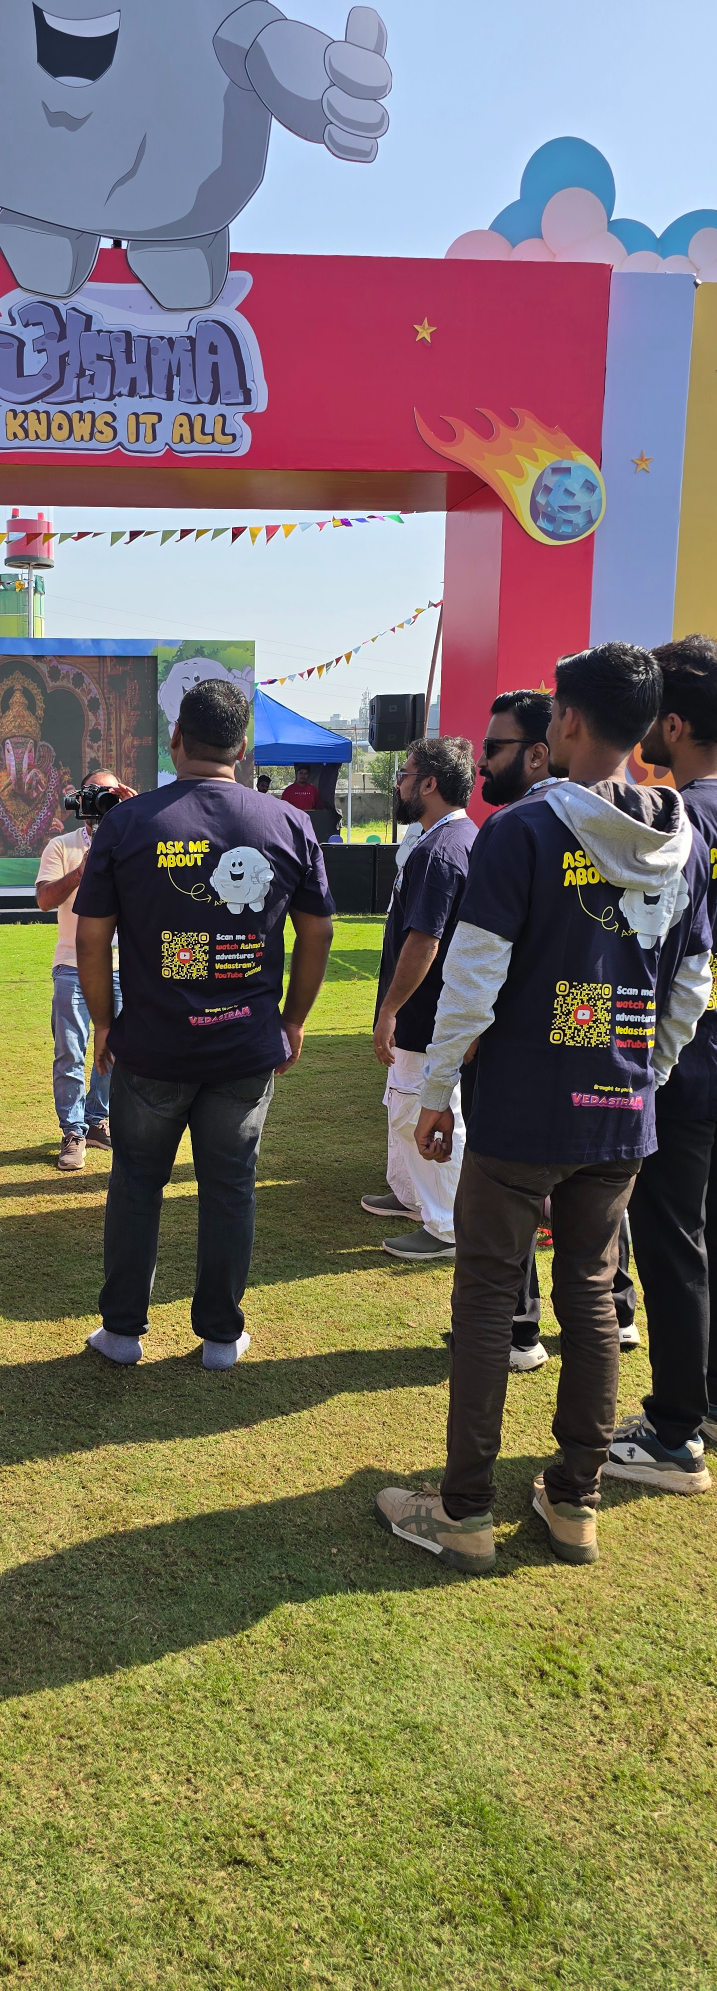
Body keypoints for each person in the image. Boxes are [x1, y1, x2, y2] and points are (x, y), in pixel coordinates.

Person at [375, 644, 712, 1573]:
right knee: (593, 1297)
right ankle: (575, 1502)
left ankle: (465, 1511)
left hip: (524, 1110)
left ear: (566, 719)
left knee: (489, 1296)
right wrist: (647, 1075)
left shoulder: (522, 831)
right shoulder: (683, 839)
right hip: (620, 1110)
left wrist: (437, 1090)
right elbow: (691, 985)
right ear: (644, 726)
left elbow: (474, 977)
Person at [74, 678, 334, 1369]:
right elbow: (318, 932)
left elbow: (91, 937)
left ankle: (122, 1332)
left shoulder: (128, 823)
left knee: (136, 1182)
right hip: (244, 1045)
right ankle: (220, 1336)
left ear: (175, 740)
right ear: (242, 746)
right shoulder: (289, 823)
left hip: (151, 1045)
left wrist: (103, 1022)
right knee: (230, 1188)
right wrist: (293, 1019)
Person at [470, 690, 639, 1371]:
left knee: (515, 1249)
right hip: (610, 1066)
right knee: (593, 1258)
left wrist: (447, 1066)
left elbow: (477, 971)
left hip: (535, 1076)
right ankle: (611, 1312)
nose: (482, 761)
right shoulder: (651, 828)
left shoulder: (518, 830)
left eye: (494, 747)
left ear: (544, 750)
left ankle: (524, 1328)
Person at [603, 635, 717, 1494]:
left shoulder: (679, 820)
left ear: (672, 725)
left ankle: (675, 1432)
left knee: (672, 1239)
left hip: (688, 1057)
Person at [363, 736, 476, 1263]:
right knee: (406, 1101)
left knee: (423, 1107)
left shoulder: (440, 850)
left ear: (429, 784)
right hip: (431, 1011)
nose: (398, 784)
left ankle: (446, 1224)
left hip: (429, 1013)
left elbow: (424, 941)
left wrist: (389, 1010)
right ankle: (412, 1197)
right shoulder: (449, 841)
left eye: (404, 774)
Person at [35, 769, 132, 1172]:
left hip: (122, 966)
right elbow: (44, 899)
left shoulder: (135, 839)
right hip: (72, 964)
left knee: (117, 1050)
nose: (104, 803)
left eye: (112, 795)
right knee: (70, 1052)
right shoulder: (62, 845)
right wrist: (83, 870)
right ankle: (72, 1131)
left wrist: (138, 813)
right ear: (81, 799)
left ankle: (96, 1120)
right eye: (98, 794)